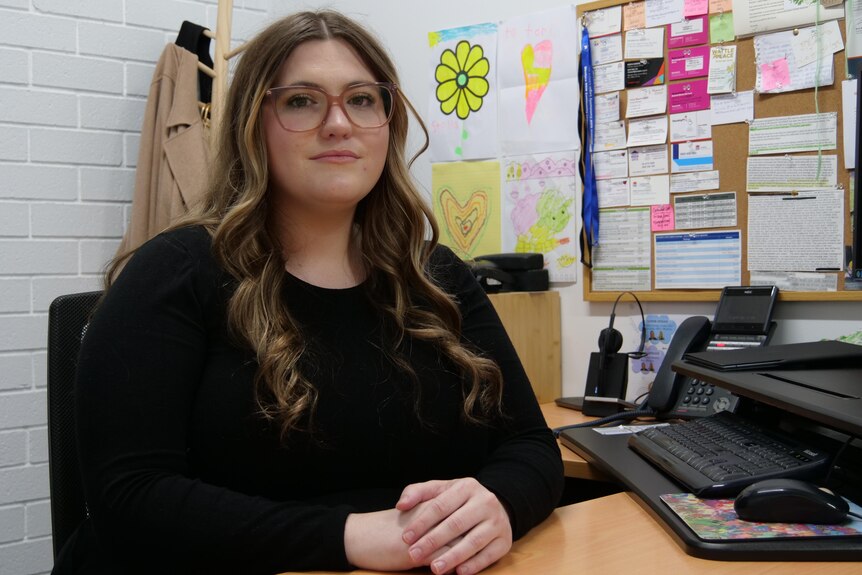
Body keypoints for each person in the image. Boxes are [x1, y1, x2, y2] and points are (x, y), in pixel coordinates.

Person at [56, 10, 563, 575]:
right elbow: (128, 496)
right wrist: (345, 536)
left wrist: (500, 504)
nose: (339, 123)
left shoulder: (436, 277)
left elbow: (532, 447)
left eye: (363, 99)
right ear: (253, 123)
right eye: (301, 100)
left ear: (388, 123)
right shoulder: (175, 272)